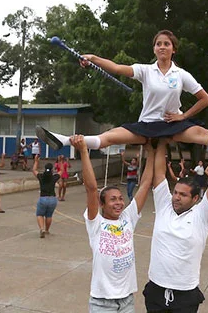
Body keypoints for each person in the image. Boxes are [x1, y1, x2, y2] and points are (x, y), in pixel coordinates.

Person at [35, 30, 208, 162]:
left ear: (174, 49)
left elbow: (205, 99)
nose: (162, 47)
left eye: (167, 44)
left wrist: (183, 117)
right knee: (110, 137)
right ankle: (62, 140)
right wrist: (93, 57)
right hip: (147, 125)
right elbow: (116, 67)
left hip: (172, 125)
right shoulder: (145, 70)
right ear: (154, 49)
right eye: (158, 44)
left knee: (203, 133)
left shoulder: (181, 75)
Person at [142, 139, 208, 312]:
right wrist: (163, 140)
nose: (176, 197)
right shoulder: (164, 205)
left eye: (183, 195)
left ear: (195, 199)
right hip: (155, 290)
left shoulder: (202, 215)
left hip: (185, 294)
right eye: (175, 193)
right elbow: (158, 175)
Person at [70, 134, 155, 313]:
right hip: (102, 303)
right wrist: (84, 151)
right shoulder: (96, 223)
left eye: (120, 198)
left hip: (126, 300)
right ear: (102, 204)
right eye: (112, 199)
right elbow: (92, 188)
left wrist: (151, 150)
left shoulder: (128, 217)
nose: (119, 203)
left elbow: (146, 183)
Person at [33, 156, 61, 238]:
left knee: (40, 214)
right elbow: (61, 171)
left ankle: (42, 229)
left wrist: (36, 161)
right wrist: (60, 162)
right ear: (52, 170)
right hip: (52, 199)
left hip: (43, 198)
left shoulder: (41, 177)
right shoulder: (54, 177)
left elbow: (34, 170)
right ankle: (47, 230)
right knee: (49, 215)